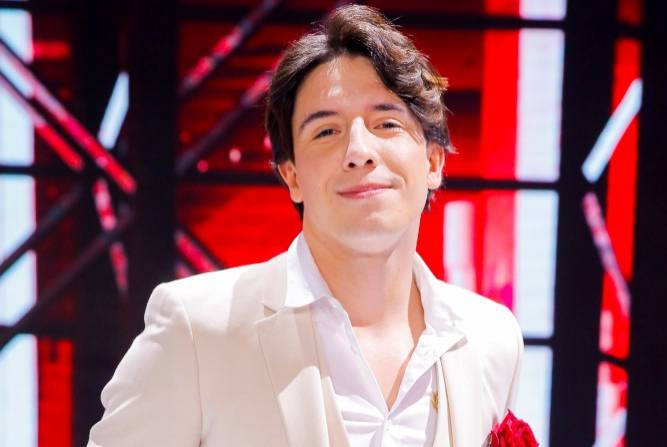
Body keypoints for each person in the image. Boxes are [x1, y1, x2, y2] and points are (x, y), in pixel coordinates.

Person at [88, 4, 523, 447]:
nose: (358, 151)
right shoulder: (198, 328)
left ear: (433, 161)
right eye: (326, 131)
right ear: (291, 175)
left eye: (386, 123)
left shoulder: (490, 337)